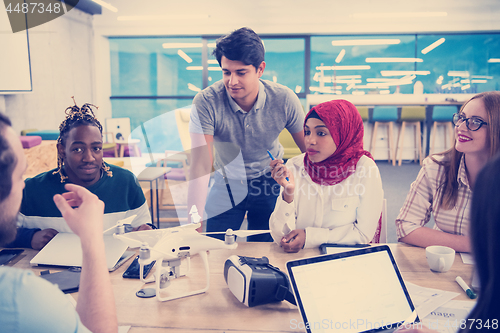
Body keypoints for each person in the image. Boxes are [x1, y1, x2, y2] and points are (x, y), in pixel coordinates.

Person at [0, 112, 117, 332]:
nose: (23, 186)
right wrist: (91, 238)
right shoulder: (22, 297)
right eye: (18, 177)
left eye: (97, 148)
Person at [188, 27, 306, 241]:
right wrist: (193, 225)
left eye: (241, 73)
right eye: (226, 72)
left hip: (269, 179)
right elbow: (201, 166)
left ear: (260, 69)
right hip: (227, 180)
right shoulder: (206, 102)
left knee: (268, 246)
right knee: (214, 244)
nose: (232, 81)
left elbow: (310, 151)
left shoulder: (284, 99)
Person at [7, 100, 152, 250]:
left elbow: (144, 227)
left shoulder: (126, 182)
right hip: (46, 272)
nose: (89, 158)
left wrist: (145, 231)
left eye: (96, 148)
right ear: (62, 150)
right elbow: (3, 232)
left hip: (111, 271)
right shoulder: (31, 190)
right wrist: (30, 238)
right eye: (78, 149)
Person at [269, 99, 384, 252]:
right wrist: (288, 194)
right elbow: (279, 238)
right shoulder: (294, 166)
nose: (310, 140)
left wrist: (309, 237)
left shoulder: (364, 168)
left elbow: (363, 235)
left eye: (321, 133)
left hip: (344, 262)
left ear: (343, 134)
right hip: (300, 261)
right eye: (307, 132)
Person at [396, 91, 500, 253]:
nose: (461, 127)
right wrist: (474, 245)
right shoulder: (436, 167)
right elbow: (405, 227)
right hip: (445, 266)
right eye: (462, 118)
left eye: (475, 122)